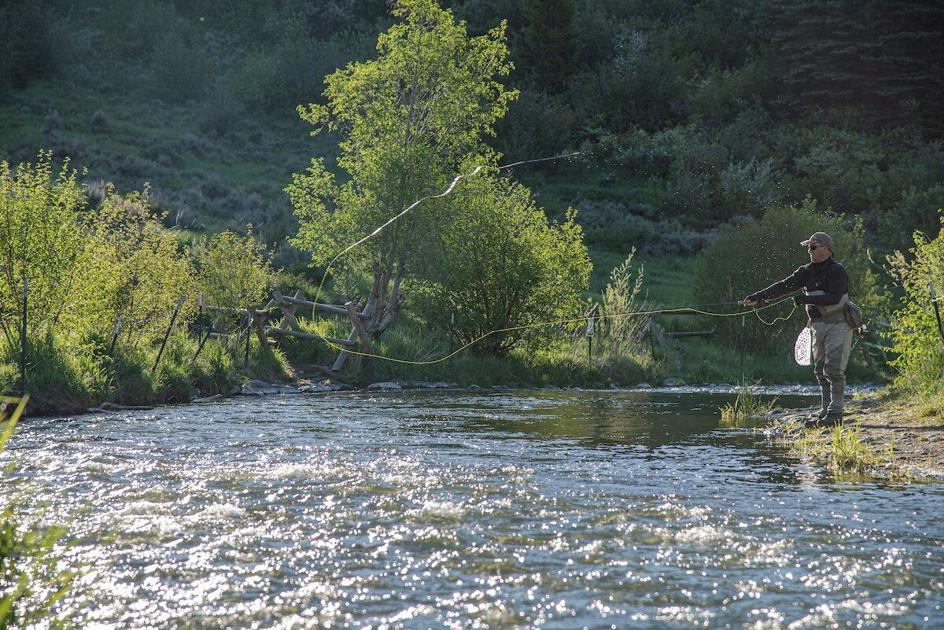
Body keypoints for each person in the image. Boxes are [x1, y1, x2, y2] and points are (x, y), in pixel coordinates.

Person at [742, 232, 854, 428]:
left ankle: (835, 414)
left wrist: (805, 299)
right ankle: (825, 411)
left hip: (839, 325)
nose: (809, 251)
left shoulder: (838, 271)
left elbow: (834, 298)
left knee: (833, 370)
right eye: (808, 247)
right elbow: (784, 286)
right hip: (818, 326)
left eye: (813, 246)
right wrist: (758, 297)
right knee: (820, 370)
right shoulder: (806, 271)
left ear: (827, 249)